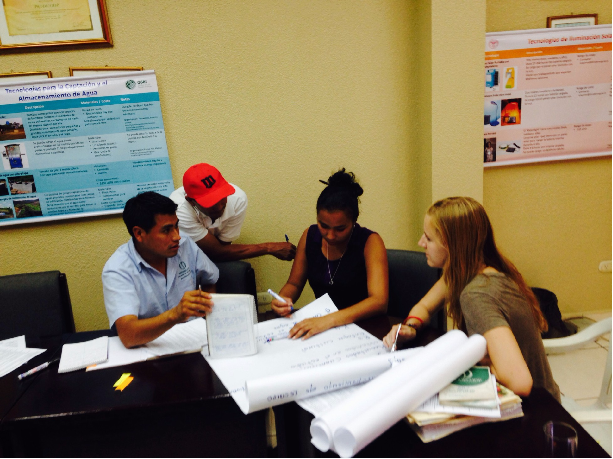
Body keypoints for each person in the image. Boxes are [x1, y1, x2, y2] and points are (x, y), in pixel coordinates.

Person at [383, 197, 560, 400]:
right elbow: (424, 306)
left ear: (451, 246)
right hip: (540, 398)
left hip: (537, 409)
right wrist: (411, 326)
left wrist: (472, 361)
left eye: (428, 238)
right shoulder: (471, 270)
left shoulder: (476, 294)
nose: (421, 243)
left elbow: (519, 382)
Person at [271, 169, 388, 340]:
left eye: (340, 229)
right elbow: (294, 284)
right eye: (323, 225)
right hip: (324, 331)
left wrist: (328, 320)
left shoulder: (370, 242)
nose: (330, 235)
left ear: (354, 220)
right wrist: (282, 299)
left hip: (364, 329)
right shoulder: (309, 236)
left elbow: (379, 301)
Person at [102, 191, 219, 348]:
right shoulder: (118, 269)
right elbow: (128, 335)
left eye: (176, 226)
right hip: (150, 348)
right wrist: (176, 314)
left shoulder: (184, 245)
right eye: (166, 230)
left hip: (194, 341)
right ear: (139, 233)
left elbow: (210, 278)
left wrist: (208, 320)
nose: (176, 236)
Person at [169, 163, 296, 262]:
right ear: (191, 201)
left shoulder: (237, 198)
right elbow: (217, 252)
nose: (219, 207)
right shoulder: (178, 209)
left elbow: (224, 248)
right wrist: (268, 247)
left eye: (221, 197)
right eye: (211, 202)